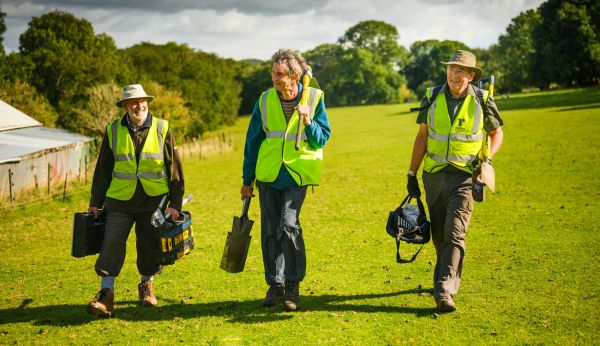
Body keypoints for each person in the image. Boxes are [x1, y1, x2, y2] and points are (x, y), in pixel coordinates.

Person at [406, 50, 504, 313]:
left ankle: (444, 291)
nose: (455, 74)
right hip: (434, 175)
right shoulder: (431, 97)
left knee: (455, 233)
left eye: (461, 70)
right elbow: (422, 137)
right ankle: (444, 274)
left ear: (471, 76)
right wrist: (411, 173)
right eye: (451, 68)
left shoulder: (483, 100)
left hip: (465, 176)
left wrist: (488, 160)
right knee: (439, 233)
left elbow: (496, 134)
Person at [241, 49, 331, 312]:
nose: (276, 79)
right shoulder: (265, 100)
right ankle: (275, 284)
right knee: (270, 231)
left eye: (281, 74)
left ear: (295, 76)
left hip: (298, 173)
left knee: (288, 224)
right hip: (268, 174)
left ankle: (293, 284)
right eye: (274, 73)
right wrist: (247, 180)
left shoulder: (314, 98)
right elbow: (252, 142)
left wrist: (308, 119)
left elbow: (321, 138)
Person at [86, 84, 184, 317]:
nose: (139, 105)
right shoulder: (112, 130)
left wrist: (175, 203)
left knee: (149, 245)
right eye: (133, 102)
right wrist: (95, 201)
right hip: (119, 200)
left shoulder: (162, 128)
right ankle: (106, 295)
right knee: (112, 241)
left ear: (147, 102)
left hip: (153, 201)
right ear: (125, 106)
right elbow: (103, 169)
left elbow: (175, 169)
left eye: (142, 101)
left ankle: (146, 288)